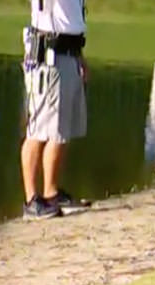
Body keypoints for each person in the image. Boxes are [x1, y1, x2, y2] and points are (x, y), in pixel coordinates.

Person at [20, 0, 91, 219]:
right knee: (39, 128)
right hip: (49, 53)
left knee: (61, 129)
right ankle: (31, 199)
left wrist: (79, 55)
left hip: (70, 50)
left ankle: (51, 192)